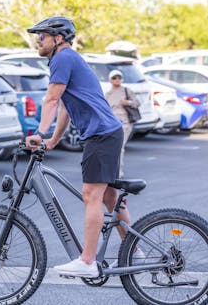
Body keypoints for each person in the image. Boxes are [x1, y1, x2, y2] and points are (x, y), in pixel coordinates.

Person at [25, 16, 135, 278]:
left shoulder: (63, 58)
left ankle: (87, 261)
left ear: (58, 38)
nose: (38, 40)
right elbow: (64, 106)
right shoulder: (66, 59)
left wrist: (40, 133)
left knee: (91, 195)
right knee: (108, 196)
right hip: (104, 134)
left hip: (101, 135)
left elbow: (51, 99)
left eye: (42, 35)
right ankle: (135, 249)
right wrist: (52, 139)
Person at [104, 70, 140, 178]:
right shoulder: (108, 94)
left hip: (125, 122)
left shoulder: (126, 90)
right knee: (111, 148)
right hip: (112, 124)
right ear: (110, 80)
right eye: (114, 78)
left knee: (120, 147)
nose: (117, 80)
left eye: (119, 77)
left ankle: (118, 172)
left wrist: (127, 102)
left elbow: (137, 103)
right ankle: (111, 170)